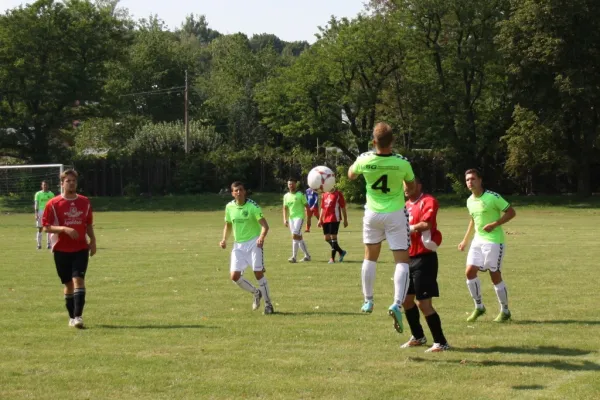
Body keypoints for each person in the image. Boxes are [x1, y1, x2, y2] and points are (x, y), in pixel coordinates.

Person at [348, 122, 416, 334]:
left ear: (374, 141)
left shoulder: (365, 159)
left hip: (372, 214)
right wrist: (405, 187)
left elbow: (351, 175)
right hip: (395, 213)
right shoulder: (402, 162)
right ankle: (396, 303)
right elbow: (412, 186)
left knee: (370, 257)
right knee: (402, 260)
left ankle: (368, 300)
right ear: (392, 141)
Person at [458, 169, 516, 323]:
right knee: (469, 272)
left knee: (494, 274)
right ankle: (479, 307)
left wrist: (495, 223)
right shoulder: (470, 200)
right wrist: (465, 240)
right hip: (478, 240)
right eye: (468, 180)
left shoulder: (493, 197)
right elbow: (473, 219)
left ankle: (505, 311)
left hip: (494, 241)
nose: (470, 182)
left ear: (480, 180)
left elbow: (511, 212)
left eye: (473, 179)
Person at [42, 170, 96, 329]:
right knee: (68, 284)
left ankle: (78, 317)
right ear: (62, 183)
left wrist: (92, 240)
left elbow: (88, 224)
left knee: (78, 280)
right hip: (61, 249)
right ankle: (71, 317)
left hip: (80, 248)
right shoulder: (53, 204)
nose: (71, 183)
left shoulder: (85, 202)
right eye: (68, 181)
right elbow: (46, 227)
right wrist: (64, 229)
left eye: (74, 181)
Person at [401, 177, 449, 352]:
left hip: (424, 258)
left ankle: (441, 342)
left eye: (409, 184)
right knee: (406, 301)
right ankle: (418, 336)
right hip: (408, 258)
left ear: (419, 185)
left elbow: (426, 224)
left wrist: (406, 227)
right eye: (403, 185)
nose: (405, 187)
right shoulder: (404, 205)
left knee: (423, 303)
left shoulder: (428, 201)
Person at [220, 181, 274, 314]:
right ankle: (256, 293)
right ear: (232, 193)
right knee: (234, 276)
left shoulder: (253, 206)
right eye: (236, 190)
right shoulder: (229, 207)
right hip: (238, 245)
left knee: (258, 273)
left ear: (245, 192)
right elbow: (228, 225)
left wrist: (261, 237)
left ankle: (268, 305)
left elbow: (265, 226)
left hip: (254, 243)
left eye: (241, 190)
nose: (238, 192)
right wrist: (224, 240)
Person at [283, 178, 311, 263]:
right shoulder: (286, 196)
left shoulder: (300, 195)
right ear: (288, 185)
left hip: (299, 217)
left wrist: (308, 219)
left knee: (295, 235)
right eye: (289, 184)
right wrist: (284, 218)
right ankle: (307, 255)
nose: (291, 186)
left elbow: (307, 207)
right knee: (299, 237)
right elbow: (284, 208)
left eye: (292, 184)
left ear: (296, 184)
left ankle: (294, 257)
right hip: (291, 219)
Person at [318, 187, 348, 263]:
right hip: (326, 219)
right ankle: (341, 252)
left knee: (333, 238)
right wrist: (320, 219)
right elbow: (322, 208)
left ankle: (332, 259)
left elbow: (343, 207)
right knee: (326, 238)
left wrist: (345, 219)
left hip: (334, 218)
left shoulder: (338, 194)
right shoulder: (324, 194)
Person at [34, 180, 55, 250]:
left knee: (48, 228)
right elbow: (36, 204)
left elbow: (53, 204)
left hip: (48, 212)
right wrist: (36, 213)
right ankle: (39, 244)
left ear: (48, 186)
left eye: (46, 185)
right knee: (40, 228)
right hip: (40, 211)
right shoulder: (38, 194)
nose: (45, 186)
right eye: (43, 185)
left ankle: (49, 244)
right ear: (41, 186)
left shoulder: (51, 194)